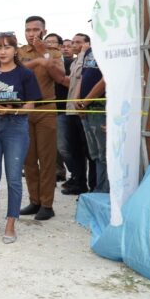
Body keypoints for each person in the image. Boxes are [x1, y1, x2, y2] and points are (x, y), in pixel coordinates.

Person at [0, 32, 42, 244]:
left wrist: (12, 111)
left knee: (13, 178)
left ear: (15, 50)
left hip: (16, 128)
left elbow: (31, 104)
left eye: (7, 47)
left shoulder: (25, 74)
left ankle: (11, 223)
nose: (2, 52)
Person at [17, 16, 65, 221]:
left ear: (44, 32)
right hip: (25, 111)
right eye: (28, 30)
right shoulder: (19, 53)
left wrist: (43, 54)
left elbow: (60, 76)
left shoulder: (53, 52)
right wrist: (35, 60)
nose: (31, 33)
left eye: (36, 29)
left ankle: (47, 204)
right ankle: (34, 200)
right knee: (28, 159)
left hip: (46, 109)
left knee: (47, 160)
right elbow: (14, 73)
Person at [63, 33, 94, 194]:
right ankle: (78, 182)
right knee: (74, 149)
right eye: (73, 41)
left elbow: (83, 76)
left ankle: (92, 185)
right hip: (70, 109)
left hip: (82, 109)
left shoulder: (88, 58)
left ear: (87, 43)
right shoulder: (75, 60)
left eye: (78, 42)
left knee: (88, 151)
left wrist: (84, 52)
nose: (74, 45)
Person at [76, 41, 108, 193]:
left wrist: (86, 101)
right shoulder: (91, 50)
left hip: (99, 108)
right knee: (94, 153)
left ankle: (103, 190)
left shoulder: (110, 47)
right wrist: (77, 99)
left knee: (103, 154)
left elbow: (106, 79)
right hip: (86, 108)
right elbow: (82, 77)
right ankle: (97, 187)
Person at [45, 32, 70, 182]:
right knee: (51, 147)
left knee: (63, 146)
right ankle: (58, 172)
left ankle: (76, 174)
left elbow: (67, 81)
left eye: (53, 42)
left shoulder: (68, 63)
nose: (49, 45)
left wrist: (54, 72)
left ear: (59, 46)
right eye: (46, 42)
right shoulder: (42, 62)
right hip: (47, 109)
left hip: (63, 108)